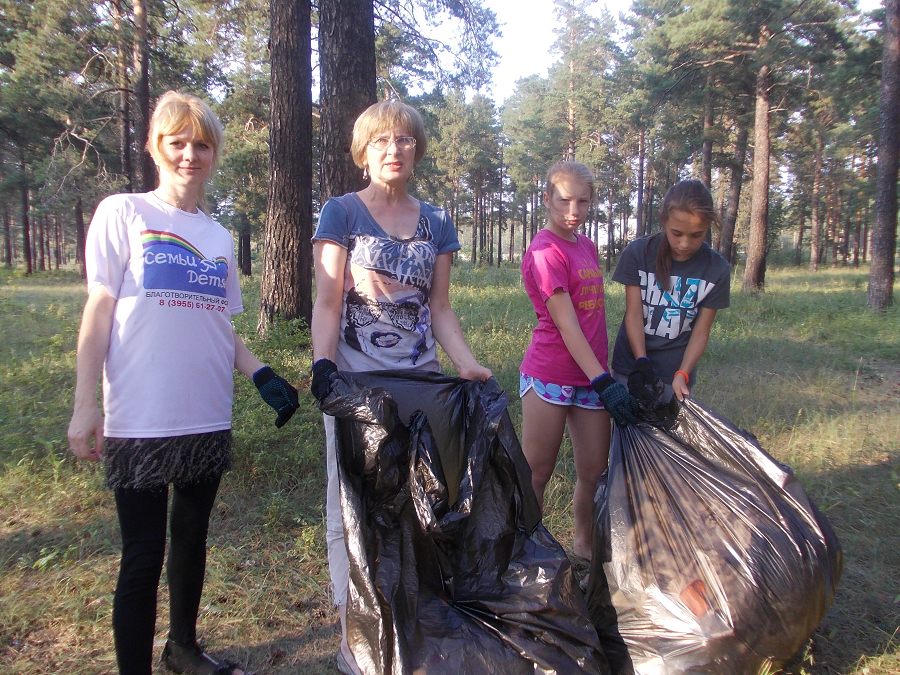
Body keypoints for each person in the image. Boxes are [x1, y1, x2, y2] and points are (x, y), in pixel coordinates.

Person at [67, 91, 298, 675]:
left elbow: (218, 323)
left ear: (214, 154)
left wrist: (261, 373)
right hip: (140, 414)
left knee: (192, 537)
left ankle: (183, 649)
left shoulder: (217, 236)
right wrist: (85, 403)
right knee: (143, 554)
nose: (190, 154)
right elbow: (99, 310)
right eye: (177, 143)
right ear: (155, 147)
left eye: (202, 145)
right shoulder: (123, 212)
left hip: (206, 411)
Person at [308, 99, 492, 675]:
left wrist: (467, 365)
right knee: (351, 508)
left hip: (420, 387)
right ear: (363, 152)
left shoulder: (436, 222)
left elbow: (440, 308)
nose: (394, 150)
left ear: (417, 150)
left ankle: (413, 624)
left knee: (420, 505)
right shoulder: (341, 213)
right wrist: (322, 366)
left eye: (405, 140)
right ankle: (355, 634)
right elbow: (328, 301)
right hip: (356, 386)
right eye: (382, 141)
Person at [519, 161, 638, 563]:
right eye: (564, 200)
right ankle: (526, 551)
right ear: (546, 198)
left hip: (591, 377)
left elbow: (592, 316)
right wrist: (604, 381)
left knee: (594, 470)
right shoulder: (544, 252)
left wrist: (599, 377)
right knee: (537, 472)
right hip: (550, 375)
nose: (573, 211)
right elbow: (567, 324)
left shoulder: (585, 245)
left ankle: (584, 547)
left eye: (583, 202)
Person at [610, 179, 731, 404]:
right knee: (628, 425)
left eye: (696, 235)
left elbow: (701, 332)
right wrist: (641, 361)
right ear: (664, 220)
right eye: (677, 233)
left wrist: (683, 373)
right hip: (631, 368)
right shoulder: (638, 253)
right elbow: (634, 315)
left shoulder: (716, 269)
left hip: (675, 374)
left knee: (671, 429)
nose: (684, 243)